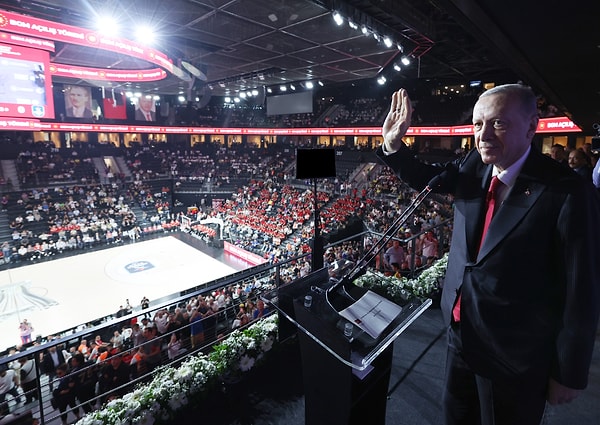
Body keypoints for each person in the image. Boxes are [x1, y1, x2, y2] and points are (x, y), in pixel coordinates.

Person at [378, 85, 600, 425]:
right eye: (478, 124)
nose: (483, 134)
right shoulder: (473, 165)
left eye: (498, 123)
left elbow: (581, 290)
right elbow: (428, 179)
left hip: (516, 353)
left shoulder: (567, 191)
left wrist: (568, 371)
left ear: (530, 127)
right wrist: (393, 146)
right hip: (460, 335)